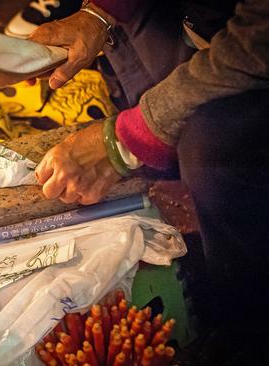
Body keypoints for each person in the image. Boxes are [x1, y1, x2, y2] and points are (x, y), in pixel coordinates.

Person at [28, 0, 269, 364]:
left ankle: (247, 330)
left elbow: (257, 44)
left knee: (208, 147)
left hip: (251, 54)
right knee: (123, 35)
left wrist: (125, 141)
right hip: (202, 27)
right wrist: (97, 15)